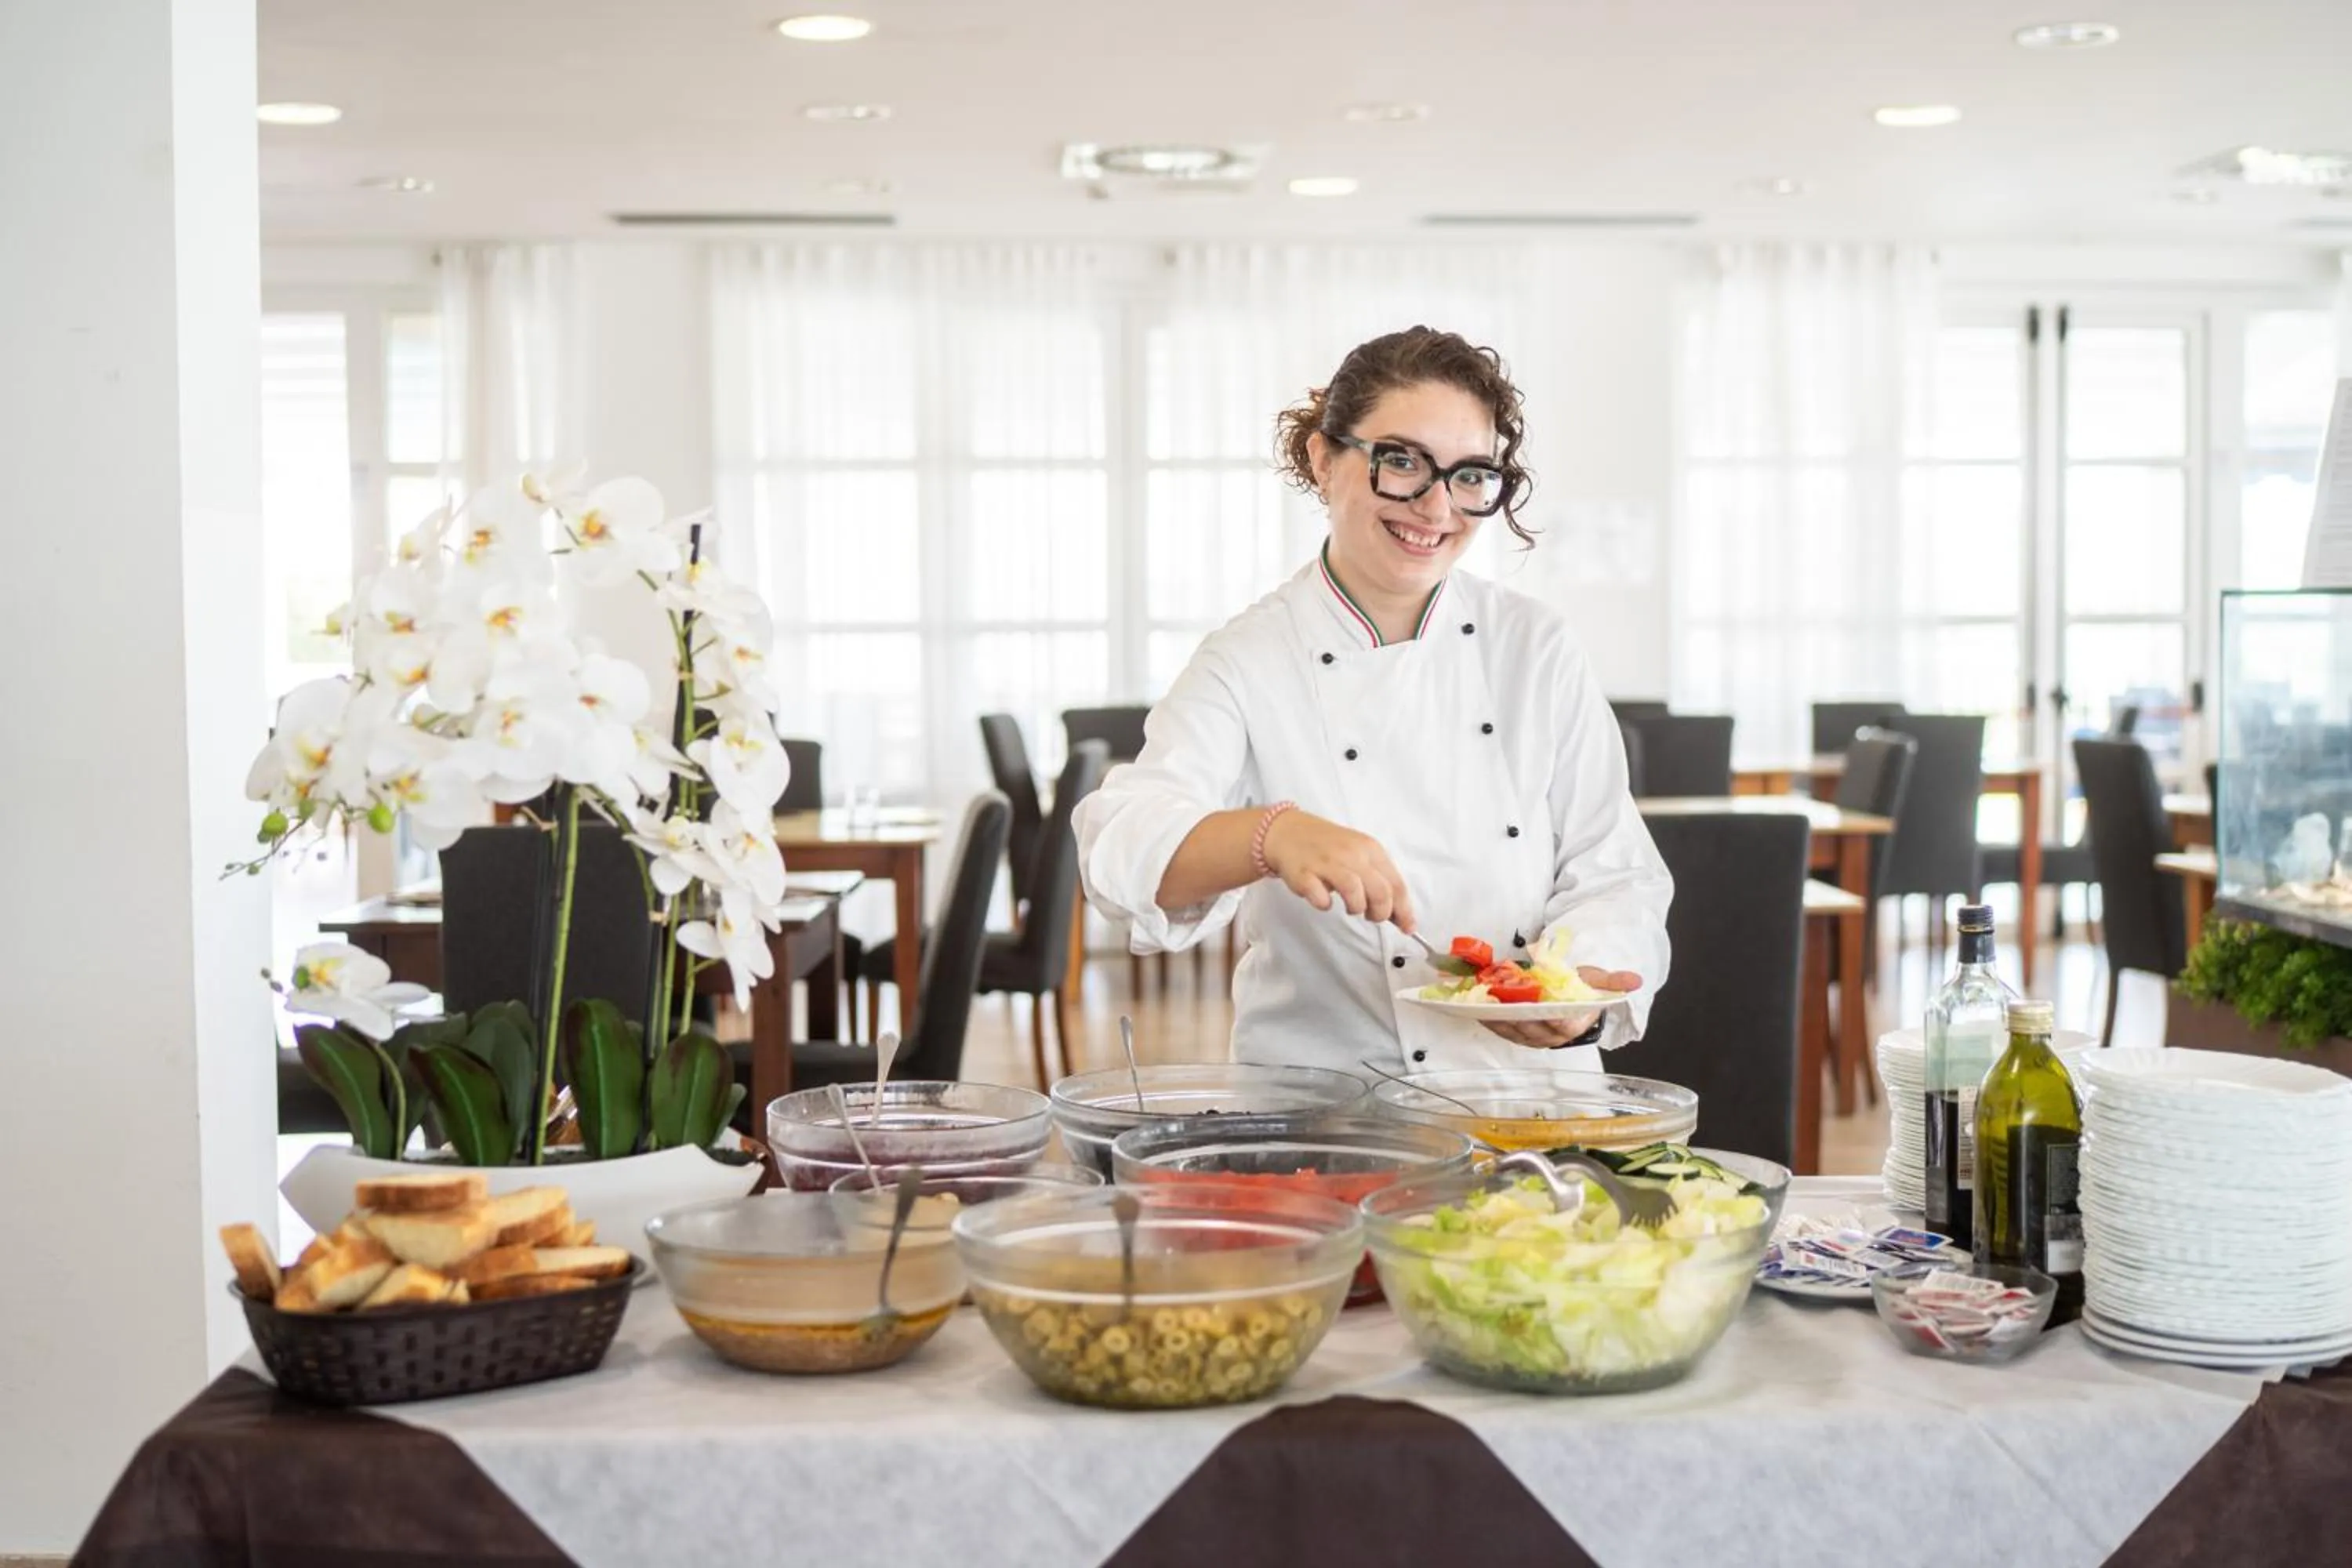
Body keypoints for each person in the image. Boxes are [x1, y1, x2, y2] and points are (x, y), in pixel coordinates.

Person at [1074, 325, 1671, 1076]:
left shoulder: (1534, 646)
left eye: (1469, 475)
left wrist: (1575, 988)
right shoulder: (1250, 658)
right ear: (1324, 459)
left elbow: (1616, 871)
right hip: (1332, 1105)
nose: (1436, 507)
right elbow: (1120, 850)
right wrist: (1270, 836)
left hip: (1531, 1100)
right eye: (1402, 461)